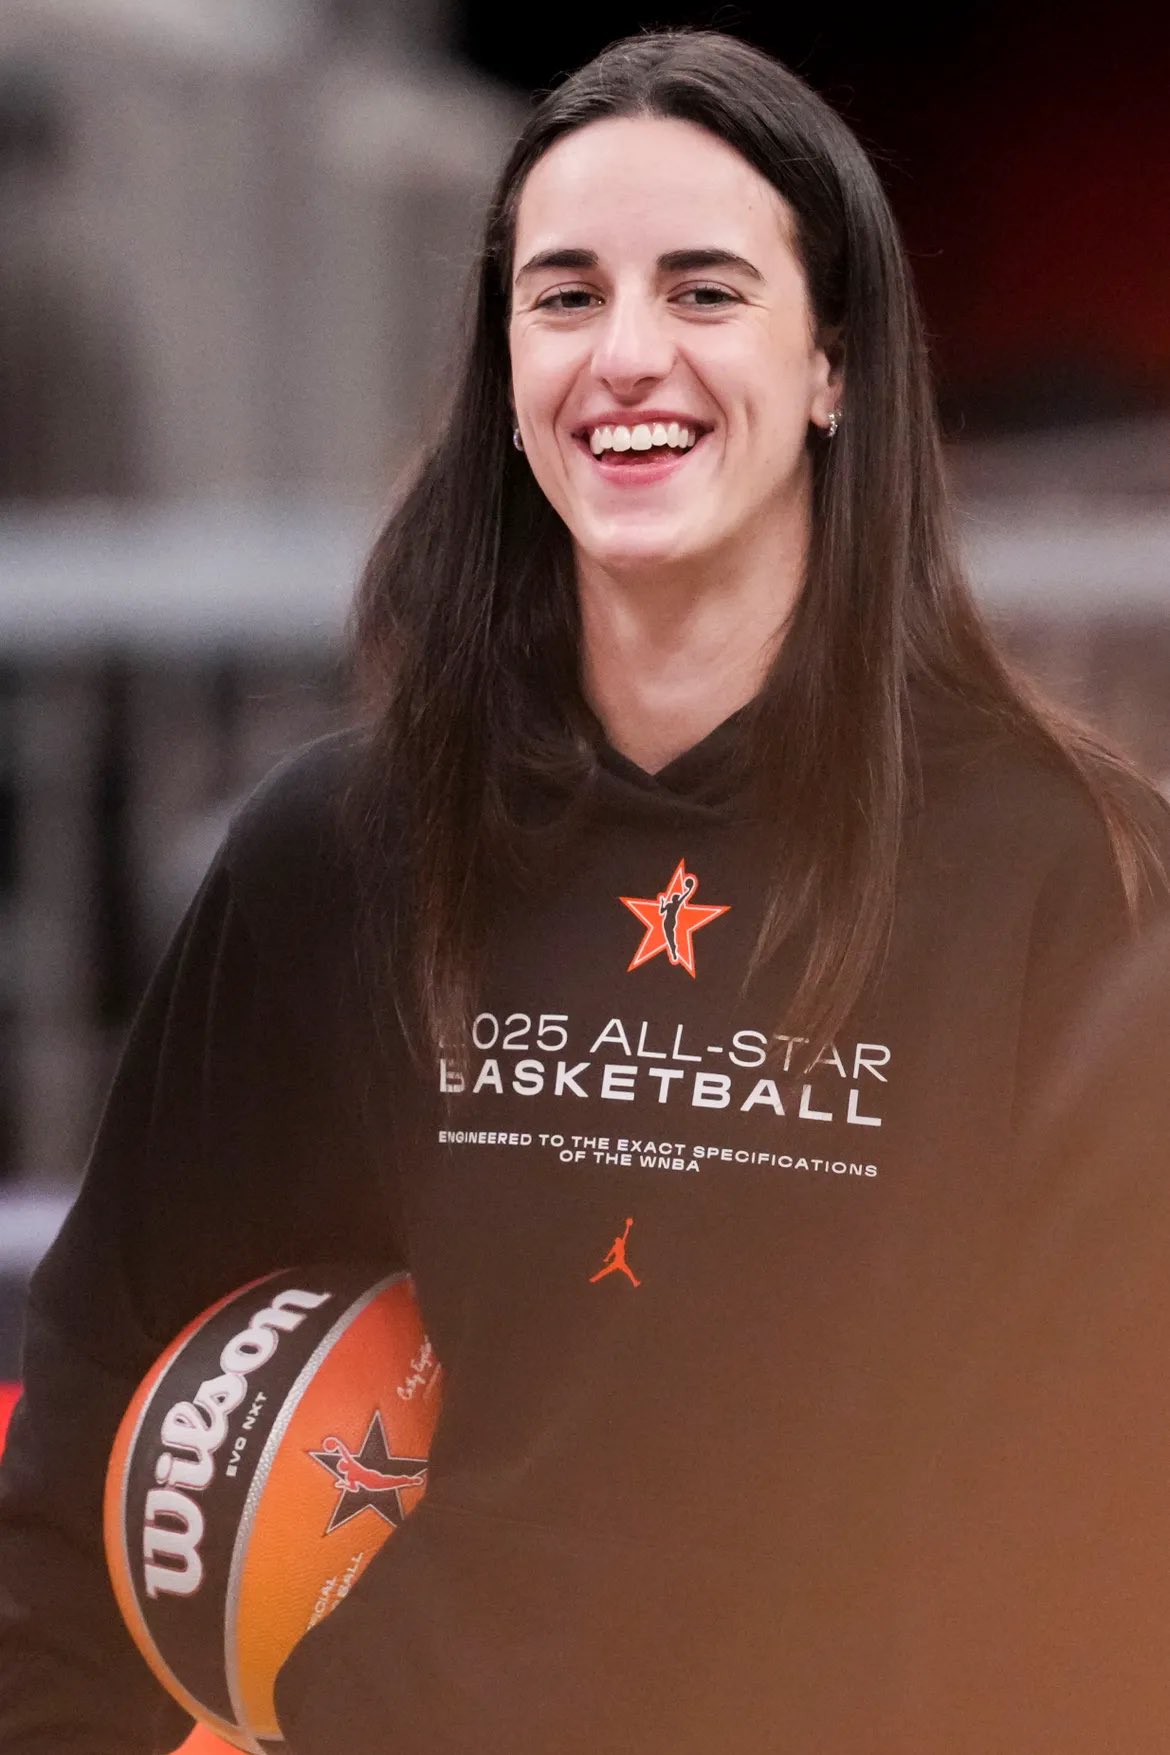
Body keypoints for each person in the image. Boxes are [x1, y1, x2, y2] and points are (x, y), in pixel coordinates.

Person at [1, 28, 1168, 1754]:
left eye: (702, 291)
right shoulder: (341, 855)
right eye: (563, 297)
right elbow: (88, 1442)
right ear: (506, 370)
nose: (625, 355)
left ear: (833, 364)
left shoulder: (1074, 881)